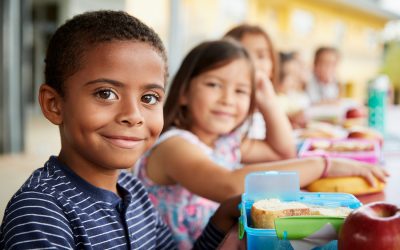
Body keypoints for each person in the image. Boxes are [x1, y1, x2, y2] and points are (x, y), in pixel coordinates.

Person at [0, 10, 241, 250]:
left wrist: (220, 221)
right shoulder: (40, 212)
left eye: (149, 97)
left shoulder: (134, 190)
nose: (133, 116)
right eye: (106, 93)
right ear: (54, 104)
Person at [135, 39, 388, 248]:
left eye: (240, 91)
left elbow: (282, 150)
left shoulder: (225, 143)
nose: (227, 99)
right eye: (214, 84)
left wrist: (266, 98)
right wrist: (324, 164)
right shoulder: (173, 146)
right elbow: (229, 184)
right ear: (183, 92)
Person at [224, 24, 294, 142]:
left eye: (261, 56)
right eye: (243, 54)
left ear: (272, 67)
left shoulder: (262, 111)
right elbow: (285, 152)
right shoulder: (227, 108)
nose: (253, 63)